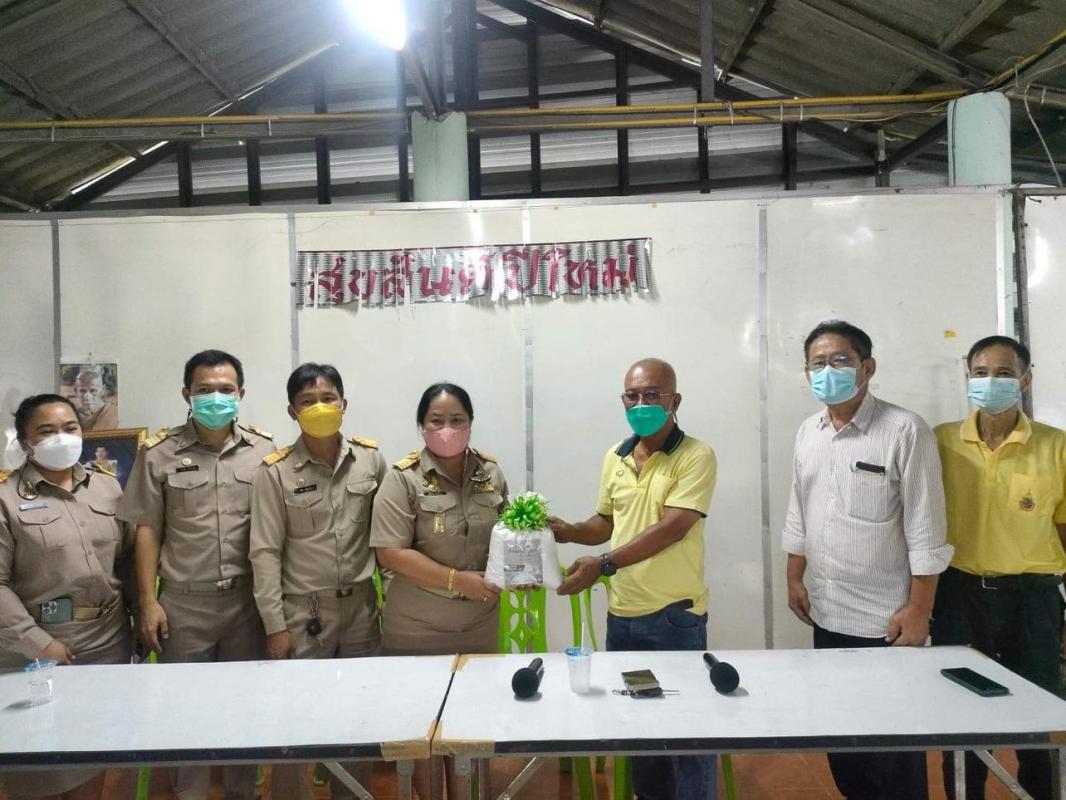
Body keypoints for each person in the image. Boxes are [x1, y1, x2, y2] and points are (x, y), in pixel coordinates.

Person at [783, 320, 953, 800]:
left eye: (841, 360)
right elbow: (799, 507)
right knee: (844, 744)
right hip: (827, 612)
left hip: (887, 621)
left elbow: (926, 528)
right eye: (818, 363)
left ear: (868, 367)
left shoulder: (905, 430)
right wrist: (794, 576)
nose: (828, 371)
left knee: (893, 754)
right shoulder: (809, 431)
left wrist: (919, 610)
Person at [549, 357, 717, 800]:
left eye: (652, 395)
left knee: (688, 729)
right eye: (632, 396)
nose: (641, 404)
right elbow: (607, 522)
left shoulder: (696, 455)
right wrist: (569, 531)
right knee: (642, 727)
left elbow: (672, 527)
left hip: (674, 618)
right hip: (623, 617)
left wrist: (603, 564)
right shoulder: (616, 456)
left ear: (675, 401)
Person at [116, 350, 274, 800]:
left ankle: (243, 792)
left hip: (247, 603)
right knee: (184, 713)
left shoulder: (264, 451)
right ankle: (190, 793)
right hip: (184, 606)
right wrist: (149, 601)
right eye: (205, 390)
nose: (216, 398)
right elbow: (148, 530)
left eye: (226, 389)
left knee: (245, 709)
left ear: (241, 394)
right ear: (187, 394)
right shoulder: (159, 454)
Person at [932, 335, 1066, 800]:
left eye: (1005, 373)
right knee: (962, 713)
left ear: (1025, 380)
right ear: (967, 377)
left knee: (1040, 711)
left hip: (1034, 598)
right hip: (959, 595)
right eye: (981, 373)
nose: (991, 382)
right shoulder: (941, 441)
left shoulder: (1056, 446)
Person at [249, 363, 386, 800]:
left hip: (361, 607)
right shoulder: (275, 472)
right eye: (308, 401)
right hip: (303, 612)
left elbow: (387, 538)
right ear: (292, 412)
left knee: (358, 717)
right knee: (295, 720)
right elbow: (264, 552)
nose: (320, 407)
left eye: (328, 398)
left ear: (344, 404)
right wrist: (274, 625)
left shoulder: (370, 460)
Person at [371, 382, 507, 800]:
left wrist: (523, 566)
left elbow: (507, 536)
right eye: (436, 420)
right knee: (424, 742)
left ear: (470, 423)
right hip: (417, 631)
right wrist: (456, 580)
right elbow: (390, 552)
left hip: (478, 629)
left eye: (457, 420)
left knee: (471, 736)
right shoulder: (402, 479)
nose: (447, 429)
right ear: (421, 425)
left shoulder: (491, 474)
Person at [0, 394, 133, 799]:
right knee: (38, 764)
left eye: (70, 428)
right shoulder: (6, 498)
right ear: (25, 441)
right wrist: (40, 644)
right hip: (39, 649)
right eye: (47, 431)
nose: (62, 437)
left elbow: (126, 562)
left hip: (108, 642)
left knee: (91, 751)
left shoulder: (107, 486)